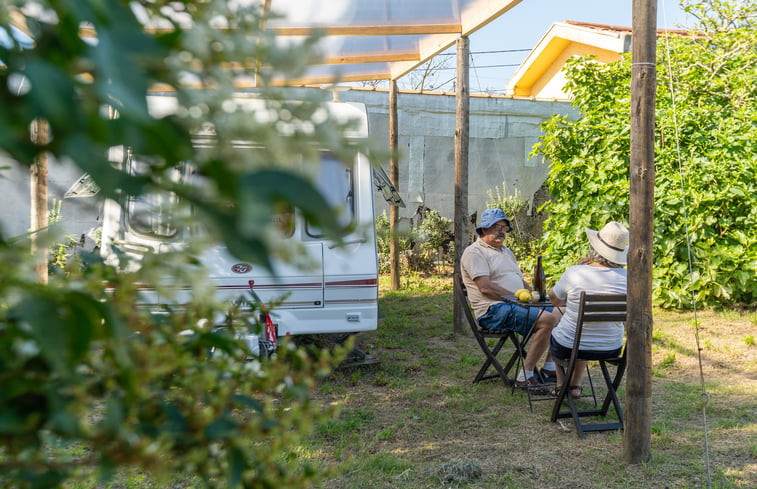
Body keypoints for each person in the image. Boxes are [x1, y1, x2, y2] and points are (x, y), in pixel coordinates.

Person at [461, 208, 561, 395]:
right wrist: (516, 298)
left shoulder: (506, 251)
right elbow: (485, 288)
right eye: (496, 227)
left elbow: (518, 280)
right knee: (547, 320)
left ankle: (548, 367)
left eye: (504, 228)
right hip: (493, 310)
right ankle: (525, 376)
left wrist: (536, 295)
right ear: (483, 230)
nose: (501, 231)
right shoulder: (474, 252)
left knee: (561, 312)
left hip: (515, 303)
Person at [547, 221, 629, 398]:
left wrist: (579, 270)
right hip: (611, 347)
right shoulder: (630, 279)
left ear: (594, 249)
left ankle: (562, 385)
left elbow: (554, 299)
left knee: (561, 331)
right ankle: (575, 386)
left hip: (570, 345)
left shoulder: (576, 272)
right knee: (583, 333)